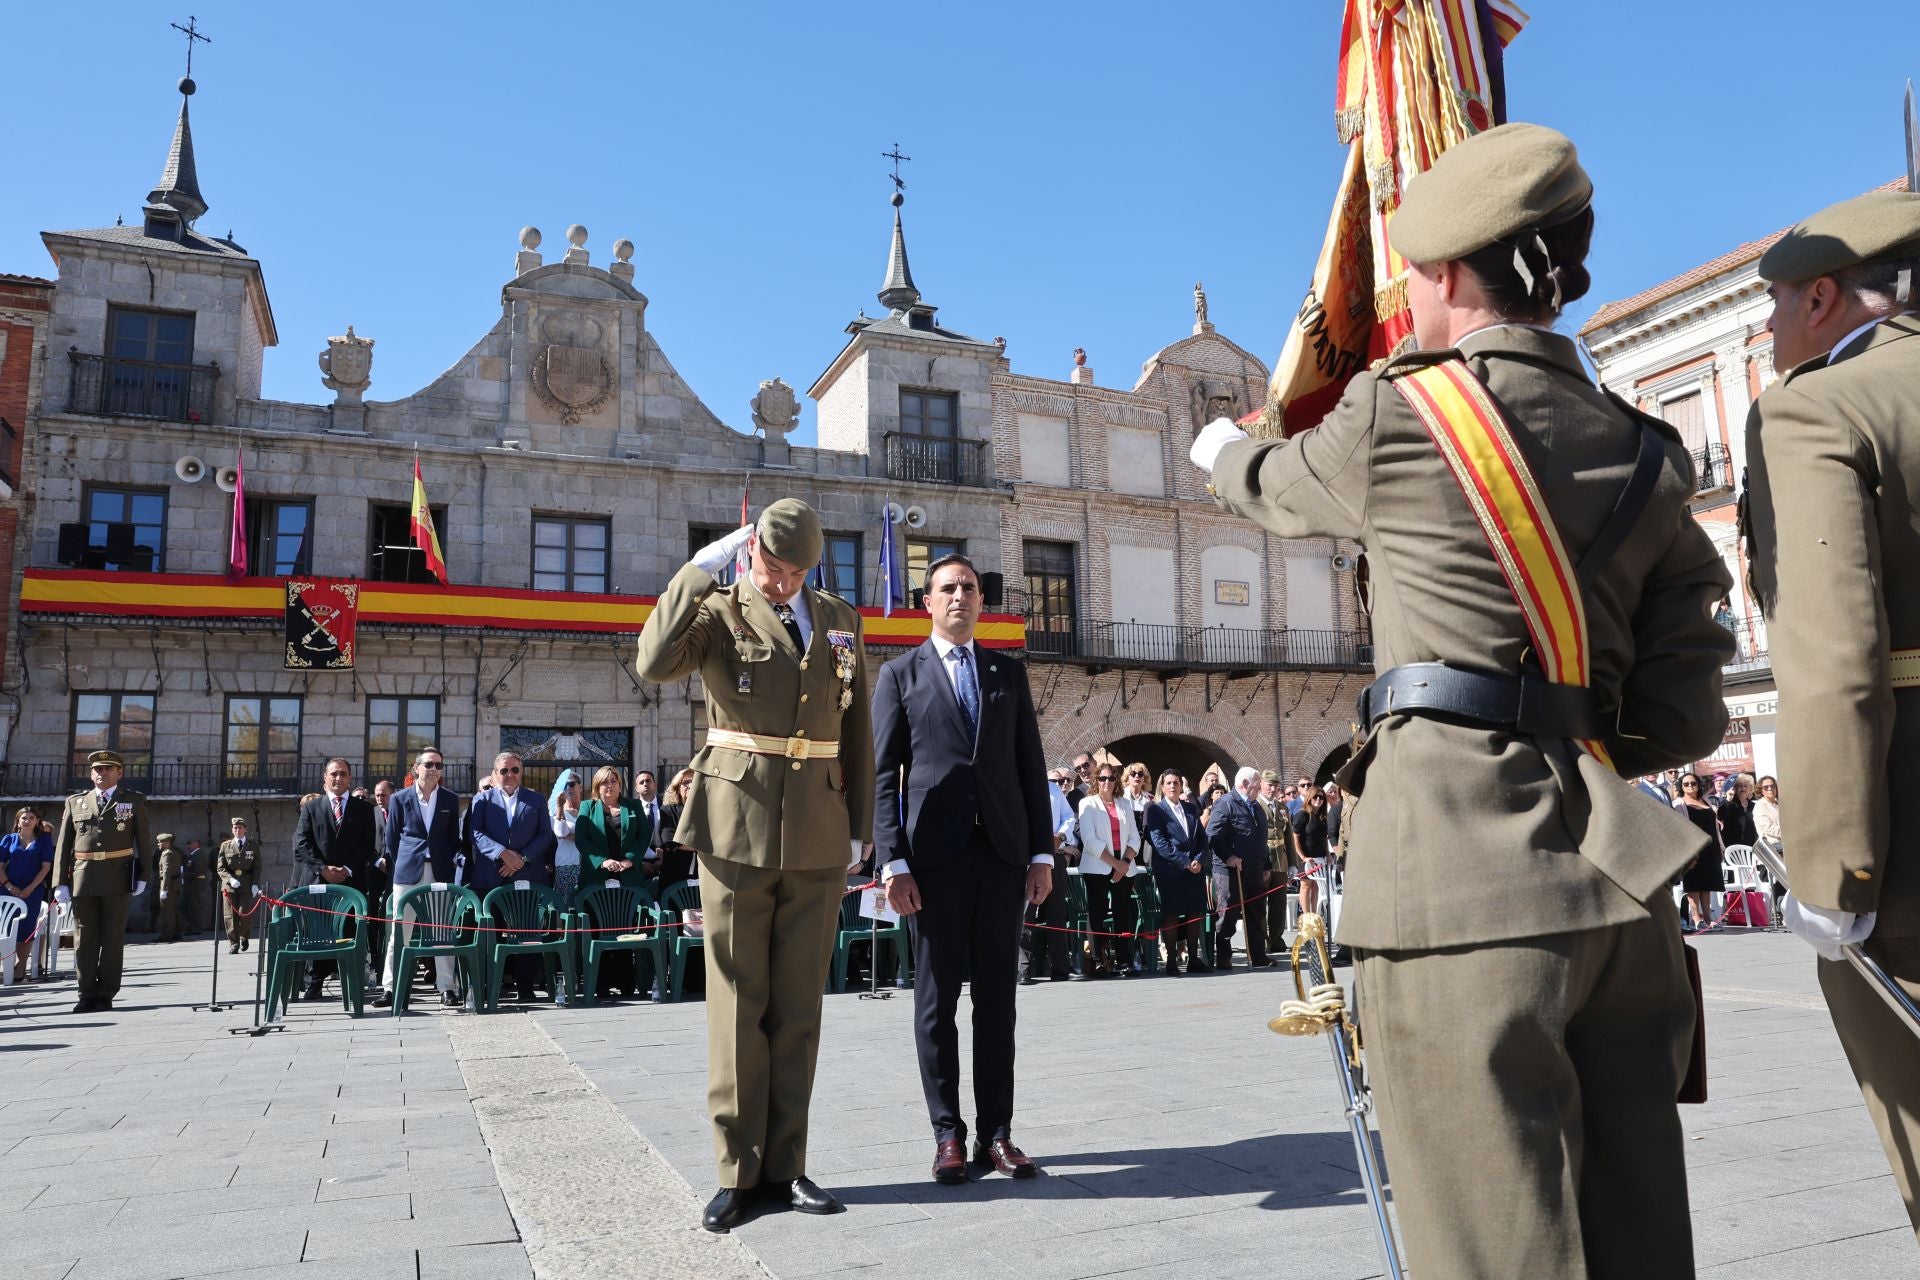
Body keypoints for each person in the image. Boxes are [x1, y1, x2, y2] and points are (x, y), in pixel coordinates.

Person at [1190, 123, 1733, 1274]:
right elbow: (1688, 713)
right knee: (1640, 1233)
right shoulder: (1645, 450)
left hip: (1451, 885)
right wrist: (1573, 730)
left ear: (1438, 275)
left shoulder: (1402, 413)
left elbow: (1276, 486)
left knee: (1491, 1243)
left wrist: (1215, 449)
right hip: (1620, 886)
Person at [1743, 185, 1920, 1243]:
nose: (1767, 329)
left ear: (1823, 298)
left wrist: (1834, 869)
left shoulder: (1821, 406)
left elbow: (1833, 657)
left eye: (1772, 306)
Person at [635, 498, 874, 1232]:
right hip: (736, 823)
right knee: (739, 1003)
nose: (782, 583)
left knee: (800, 1005)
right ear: (749, 554)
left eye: (796, 570)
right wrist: (696, 571)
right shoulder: (717, 608)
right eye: (772, 567)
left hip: (819, 827)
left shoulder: (839, 619)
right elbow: (652, 662)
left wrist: (861, 826)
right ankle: (737, 1173)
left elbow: (858, 722)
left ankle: (788, 1167)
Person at [872, 552, 1053, 1185]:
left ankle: (996, 1135)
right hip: (933, 862)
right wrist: (892, 861)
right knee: (936, 1001)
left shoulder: (1007, 673)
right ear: (928, 601)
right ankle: (948, 1132)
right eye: (948, 588)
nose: (959, 597)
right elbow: (881, 775)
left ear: (981, 601)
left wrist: (1040, 853)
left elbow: (1030, 767)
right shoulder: (899, 675)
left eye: (970, 589)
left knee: (998, 1003)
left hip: (1002, 857)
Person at [51, 751, 154, 1013]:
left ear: (120, 773)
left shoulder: (132, 801)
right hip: (83, 877)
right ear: (90, 773)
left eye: (108, 768)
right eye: (97, 769)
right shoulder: (76, 802)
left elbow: (144, 841)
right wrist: (59, 882)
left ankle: (106, 993)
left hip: (117, 876)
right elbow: (63, 846)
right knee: (84, 938)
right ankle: (86, 993)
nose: (102, 773)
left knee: (112, 938)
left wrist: (144, 875)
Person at [376, 747, 464, 1009]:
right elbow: (392, 839)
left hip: (439, 871)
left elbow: (452, 838)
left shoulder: (449, 799)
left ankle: (447, 987)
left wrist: (442, 857)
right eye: (429, 765)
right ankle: (391, 988)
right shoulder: (400, 798)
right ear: (416, 768)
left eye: (438, 765)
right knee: (399, 932)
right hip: (408, 871)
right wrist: (406, 857)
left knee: (442, 929)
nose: (434, 769)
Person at [468, 751, 556, 1003]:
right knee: (491, 934)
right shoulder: (482, 800)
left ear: (521, 772)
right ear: (495, 774)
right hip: (491, 876)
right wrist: (502, 854)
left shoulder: (536, 799)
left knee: (525, 933)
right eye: (504, 770)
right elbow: (476, 832)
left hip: (527, 874)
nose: (509, 775)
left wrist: (522, 859)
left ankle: (526, 988)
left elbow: (544, 835)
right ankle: (490, 986)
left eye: (514, 770)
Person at [292, 759, 379, 1001]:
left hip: (352, 882)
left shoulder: (363, 809)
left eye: (343, 774)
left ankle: (351, 980)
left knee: (349, 931)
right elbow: (302, 843)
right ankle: (315, 981)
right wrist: (323, 869)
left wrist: (348, 869)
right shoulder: (312, 808)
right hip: (320, 882)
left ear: (350, 778)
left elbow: (367, 845)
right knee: (319, 932)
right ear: (325, 778)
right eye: (333, 774)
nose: (338, 778)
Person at [575, 764, 653, 999]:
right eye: (604, 782)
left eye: (613, 781)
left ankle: (627, 983)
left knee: (626, 930)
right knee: (600, 930)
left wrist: (629, 860)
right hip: (597, 878)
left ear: (620, 784)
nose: (609, 786)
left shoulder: (633, 806)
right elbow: (582, 839)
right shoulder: (588, 807)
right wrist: (603, 861)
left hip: (628, 878)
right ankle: (600, 983)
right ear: (597, 787)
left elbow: (644, 836)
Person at [1144, 768, 1210, 974]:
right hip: (1170, 870)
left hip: (1194, 870)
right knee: (1171, 914)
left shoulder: (1190, 809)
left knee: (1194, 912)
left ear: (1181, 786)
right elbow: (1159, 842)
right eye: (1169, 783)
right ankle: (1172, 960)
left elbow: (1202, 839)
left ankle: (1193, 959)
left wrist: (1198, 860)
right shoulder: (1156, 810)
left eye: (1176, 783)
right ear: (1162, 787)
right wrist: (1184, 862)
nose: (1173, 786)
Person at [1205, 767, 1272, 969]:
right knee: (1228, 913)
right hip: (1230, 871)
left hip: (1254, 869)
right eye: (1256, 785)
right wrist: (1229, 856)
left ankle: (1258, 954)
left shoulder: (1256, 806)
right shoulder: (1225, 804)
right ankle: (1224, 956)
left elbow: (1261, 837)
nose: (1259, 788)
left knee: (1257, 911)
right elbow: (1213, 836)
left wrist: (1266, 863)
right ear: (1244, 785)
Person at [1074, 765, 1136, 978]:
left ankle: (1124, 960)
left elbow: (1135, 838)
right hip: (1098, 864)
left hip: (1124, 863)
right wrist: (1114, 864)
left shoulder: (1125, 804)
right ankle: (1099, 960)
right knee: (1097, 913)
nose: (1106, 782)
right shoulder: (1087, 804)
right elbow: (1089, 840)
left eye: (1110, 778)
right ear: (1096, 781)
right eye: (1102, 778)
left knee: (1122, 913)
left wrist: (1125, 862)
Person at [1021, 775, 1077, 985]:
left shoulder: (1053, 789)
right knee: (1025, 913)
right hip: (1024, 856)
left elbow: (1068, 817)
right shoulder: (1015, 785)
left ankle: (1060, 968)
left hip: (1053, 855)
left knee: (1057, 914)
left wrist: (1061, 836)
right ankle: (1023, 969)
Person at [2, 806, 53, 974]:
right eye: (24, 818)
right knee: (5, 927)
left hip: (32, 890)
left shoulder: (43, 841)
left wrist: (31, 888)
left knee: (26, 928)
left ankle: (21, 965)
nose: (27, 821)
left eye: (31, 818)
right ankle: (6, 965)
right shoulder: (8, 839)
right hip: (8, 889)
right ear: (18, 821)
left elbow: (46, 867)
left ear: (37, 821)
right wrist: (9, 885)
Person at [1675, 773, 1725, 932]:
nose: (1690, 786)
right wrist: (1687, 852)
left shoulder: (1707, 801)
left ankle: (1709, 919)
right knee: (1694, 884)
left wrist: (1721, 847)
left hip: (1711, 847)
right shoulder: (1679, 804)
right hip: (1693, 848)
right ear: (1681, 787)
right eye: (1686, 784)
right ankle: (1696, 918)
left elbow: (1715, 828)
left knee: (1707, 884)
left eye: (1693, 783)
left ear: (1698, 784)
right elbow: (1680, 830)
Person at [216, 817, 259, 954]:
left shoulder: (253, 845)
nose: (237, 830)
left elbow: (257, 867)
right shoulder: (225, 845)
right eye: (235, 828)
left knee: (243, 912)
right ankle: (233, 944)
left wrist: (255, 884)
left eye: (240, 828)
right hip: (230, 885)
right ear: (232, 830)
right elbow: (220, 868)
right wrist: (229, 879)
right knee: (230, 915)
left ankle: (244, 936)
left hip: (246, 884)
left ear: (245, 829)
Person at [1291, 786, 1332, 920]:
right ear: (1309, 798)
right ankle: (1307, 917)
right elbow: (1295, 837)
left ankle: (1314, 916)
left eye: (1321, 797)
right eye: (1315, 796)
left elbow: (1323, 839)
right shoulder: (1302, 814)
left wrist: (1327, 854)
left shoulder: (1322, 816)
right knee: (1306, 886)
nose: (1318, 799)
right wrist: (1303, 857)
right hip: (1306, 857)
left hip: (1320, 857)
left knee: (1316, 886)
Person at [654, 767, 697, 892]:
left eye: (693, 782)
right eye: (685, 783)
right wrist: (699, 848)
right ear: (677, 788)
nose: (690, 785)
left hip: (702, 871)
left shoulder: (707, 811)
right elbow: (670, 841)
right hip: (675, 871)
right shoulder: (668, 810)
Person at [548, 769, 584, 906]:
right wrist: (559, 808)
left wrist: (573, 836)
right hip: (566, 864)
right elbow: (561, 833)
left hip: (588, 865)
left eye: (571, 784)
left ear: (580, 786)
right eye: (564, 786)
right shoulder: (554, 813)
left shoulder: (589, 809)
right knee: (565, 906)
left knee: (585, 906)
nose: (568, 788)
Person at [149, 832, 182, 943]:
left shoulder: (166, 854)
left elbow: (167, 872)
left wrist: (164, 888)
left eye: (160, 842)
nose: (158, 844)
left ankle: (166, 935)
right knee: (174, 911)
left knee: (167, 911)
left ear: (167, 843)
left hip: (169, 886)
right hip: (175, 885)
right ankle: (177, 932)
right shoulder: (175, 852)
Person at [1719, 774, 1759, 850]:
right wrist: (1728, 799)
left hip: (1752, 847)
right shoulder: (1729, 803)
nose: (1743, 788)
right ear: (1735, 788)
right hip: (1733, 848)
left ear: (1750, 789)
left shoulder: (1754, 806)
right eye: (1740, 785)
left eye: (1745, 786)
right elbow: (1720, 815)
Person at [181, 837, 211, 936]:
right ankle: (191, 927)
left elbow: (198, 872)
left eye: (190, 843)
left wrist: (182, 875)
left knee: (194, 908)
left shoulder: (199, 855)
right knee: (188, 908)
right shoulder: (192, 856)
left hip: (195, 885)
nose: (188, 846)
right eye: (187, 843)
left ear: (197, 843)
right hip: (190, 885)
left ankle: (196, 928)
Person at [1754, 776, 1782, 845]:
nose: (1770, 789)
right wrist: (1789, 834)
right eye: (1766, 787)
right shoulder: (1760, 806)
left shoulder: (1779, 803)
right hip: (1774, 845)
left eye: (1773, 786)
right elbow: (1768, 829)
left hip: (1785, 841)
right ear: (1761, 790)